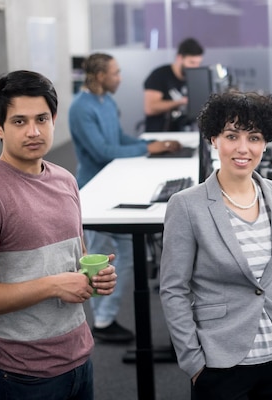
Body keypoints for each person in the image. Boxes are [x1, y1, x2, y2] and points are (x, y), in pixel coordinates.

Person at [0, 70, 118, 400]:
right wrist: (53, 285)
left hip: (79, 357)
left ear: (54, 119)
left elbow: (74, 259)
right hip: (22, 375)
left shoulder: (66, 180)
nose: (34, 131)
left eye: (42, 118)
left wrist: (94, 278)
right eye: (19, 122)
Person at [159, 91, 272, 399]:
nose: (243, 148)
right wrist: (193, 361)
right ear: (214, 139)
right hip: (221, 362)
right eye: (232, 136)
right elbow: (174, 289)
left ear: (265, 142)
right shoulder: (187, 205)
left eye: (254, 137)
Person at [69, 52, 181, 343]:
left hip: (113, 186)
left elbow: (119, 139)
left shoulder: (107, 102)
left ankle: (106, 318)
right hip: (94, 192)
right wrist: (149, 150)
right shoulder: (81, 108)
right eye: (115, 73)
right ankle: (102, 322)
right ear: (99, 76)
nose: (120, 78)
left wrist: (150, 143)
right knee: (101, 258)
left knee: (126, 256)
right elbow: (103, 151)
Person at [143, 37, 204, 132]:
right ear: (180, 58)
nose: (195, 67)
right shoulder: (159, 75)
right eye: (192, 62)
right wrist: (180, 102)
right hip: (160, 133)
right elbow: (150, 108)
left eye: (198, 63)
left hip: (186, 132)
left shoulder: (195, 79)